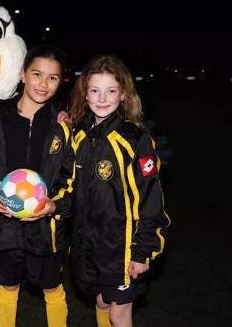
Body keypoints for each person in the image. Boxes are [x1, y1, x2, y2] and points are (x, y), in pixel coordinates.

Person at [0, 45, 76, 327]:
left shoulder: (61, 127)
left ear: (60, 82)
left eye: (52, 78)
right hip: (5, 226)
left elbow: (70, 176)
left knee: (52, 289)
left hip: (46, 229)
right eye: (37, 74)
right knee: (7, 289)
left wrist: (55, 205)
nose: (43, 84)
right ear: (22, 74)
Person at [67, 54, 171, 327]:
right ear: (85, 94)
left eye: (111, 91)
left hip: (123, 250)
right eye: (95, 90)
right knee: (101, 300)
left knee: (119, 313)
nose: (102, 99)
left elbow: (151, 198)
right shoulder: (79, 135)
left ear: (123, 94)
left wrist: (142, 251)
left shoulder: (135, 140)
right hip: (88, 246)